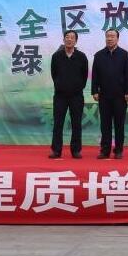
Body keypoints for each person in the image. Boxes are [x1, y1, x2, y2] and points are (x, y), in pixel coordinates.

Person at [91, 29, 128, 159]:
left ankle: (118, 150)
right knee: (105, 124)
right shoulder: (99, 55)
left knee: (119, 124)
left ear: (117, 39)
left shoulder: (124, 55)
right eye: (108, 36)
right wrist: (94, 91)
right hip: (104, 95)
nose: (109, 39)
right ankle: (105, 150)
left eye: (112, 36)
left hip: (120, 96)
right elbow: (95, 75)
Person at [49, 30, 88, 159]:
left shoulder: (81, 57)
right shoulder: (56, 56)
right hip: (60, 96)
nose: (69, 39)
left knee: (76, 123)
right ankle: (56, 150)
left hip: (76, 96)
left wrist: (77, 87)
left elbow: (84, 76)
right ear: (64, 39)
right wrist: (60, 85)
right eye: (67, 37)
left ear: (76, 41)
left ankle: (76, 150)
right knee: (58, 123)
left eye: (72, 38)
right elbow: (54, 74)